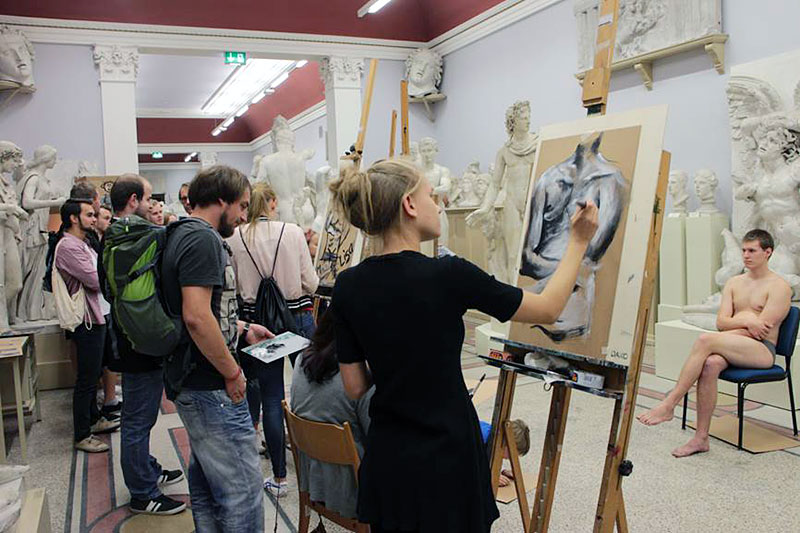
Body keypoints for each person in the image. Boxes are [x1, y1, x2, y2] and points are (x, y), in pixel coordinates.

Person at [329, 158, 598, 532]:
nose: (438, 204)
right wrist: (579, 242)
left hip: (390, 456)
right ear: (409, 205)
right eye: (430, 195)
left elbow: (355, 385)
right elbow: (550, 308)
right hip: (447, 455)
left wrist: (398, 358)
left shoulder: (348, 285)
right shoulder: (448, 274)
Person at [161, 165, 272, 532]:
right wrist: (233, 372)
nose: (243, 216)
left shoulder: (176, 233)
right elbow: (195, 317)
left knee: (209, 483)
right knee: (242, 489)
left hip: (190, 377)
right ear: (221, 200)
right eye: (241, 206)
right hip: (210, 384)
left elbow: (198, 310)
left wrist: (240, 328)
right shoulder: (203, 239)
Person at [638, 229, 792, 457]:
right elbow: (721, 322)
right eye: (743, 250)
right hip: (734, 345)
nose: (746, 255)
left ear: (767, 252)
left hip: (762, 352)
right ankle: (701, 439)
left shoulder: (779, 287)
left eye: (752, 250)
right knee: (710, 365)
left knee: (705, 340)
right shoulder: (734, 283)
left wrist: (741, 323)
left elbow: (761, 331)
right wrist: (748, 320)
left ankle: (669, 403)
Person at [227, 182, 319, 496]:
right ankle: (318, 470)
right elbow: (312, 281)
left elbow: (235, 286)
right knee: (311, 390)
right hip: (298, 319)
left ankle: (280, 479)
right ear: (272, 202)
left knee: (271, 397)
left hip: (257, 325)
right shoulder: (293, 232)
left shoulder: (235, 238)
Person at [107, 175, 186, 515]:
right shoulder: (139, 235)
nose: (154, 205)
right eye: (149, 199)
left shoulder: (111, 236)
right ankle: (142, 491)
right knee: (138, 420)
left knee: (140, 416)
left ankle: (147, 469)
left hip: (128, 336)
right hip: (141, 341)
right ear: (134, 199)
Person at [290, 308, 373, 518]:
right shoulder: (359, 376)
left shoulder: (302, 360)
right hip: (352, 493)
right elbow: (379, 437)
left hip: (314, 482)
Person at [55, 200, 119, 453]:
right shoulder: (68, 246)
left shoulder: (83, 243)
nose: (94, 219)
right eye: (89, 215)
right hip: (87, 320)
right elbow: (95, 279)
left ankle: (94, 419)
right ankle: (82, 434)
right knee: (86, 379)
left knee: (94, 376)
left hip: (98, 315)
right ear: (73, 218)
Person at [478, 419, 530, 487]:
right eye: (510, 455)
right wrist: (487, 477)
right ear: (506, 443)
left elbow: (490, 457)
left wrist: (502, 470)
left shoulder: (496, 440)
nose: (509, 459)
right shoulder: (481, 437)